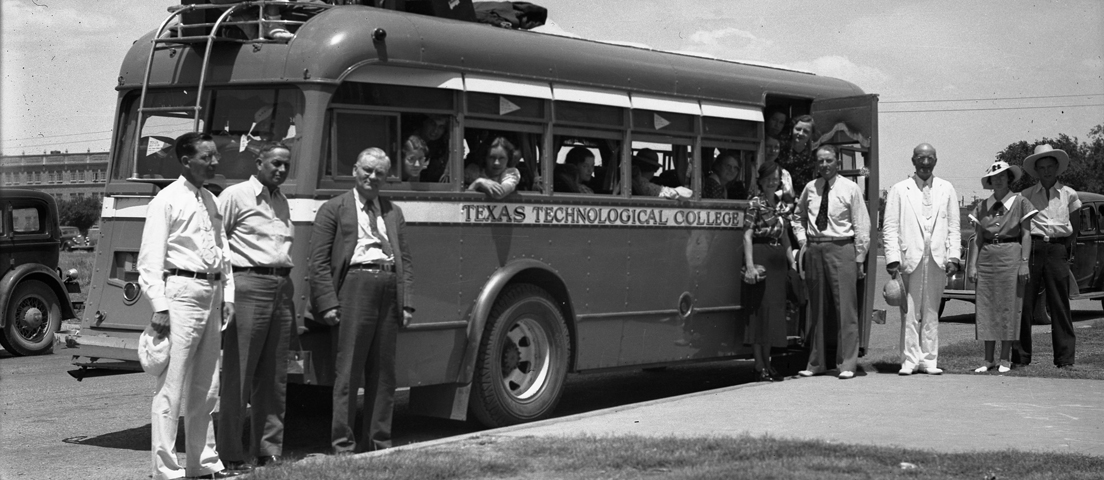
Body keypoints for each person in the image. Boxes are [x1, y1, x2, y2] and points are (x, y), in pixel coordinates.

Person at [138, 132, 239, 479]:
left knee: (207, 386)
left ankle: (204, 464)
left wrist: (227, 297)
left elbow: (223, 252)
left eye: (215, 156)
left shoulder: (211, 200)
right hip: (179, 292)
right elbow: (150, 259)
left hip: (210, 293)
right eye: (207, 157)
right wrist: (159, 305)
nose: (214, 162)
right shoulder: (166, 200)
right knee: (172, 386)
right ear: (186, 161)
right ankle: (166, 469)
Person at [309, 147, 414, 453]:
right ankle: (343, 444)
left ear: (386, 178)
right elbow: (317, 262)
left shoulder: (393, 212)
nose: (372, 177)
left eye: (380, 173)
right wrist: (327, 302)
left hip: (388, 287)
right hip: (353, 287)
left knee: (384, 373)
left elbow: (405, 260)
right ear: (355, 170)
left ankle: (379, 442)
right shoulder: (334, 208)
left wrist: (406, 302)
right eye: (367, 170)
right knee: (349, 371)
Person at [215, 142, 295, 472]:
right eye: (275, 163)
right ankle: (231, 452)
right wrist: (226, 294)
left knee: (274, 376)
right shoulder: (235, 196)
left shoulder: (281, 200)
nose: (280, 170)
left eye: (286, 165)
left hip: (280, 287)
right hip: (247, 285)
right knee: (239, 373)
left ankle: (267, 449)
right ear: (258, 162)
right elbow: (218, 242)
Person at [882, 144, 961, 376]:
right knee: (909, 311)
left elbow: (954, 226)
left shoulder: (946, 188)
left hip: (937, 259)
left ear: (935, 160)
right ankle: (909, 361)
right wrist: (892, 258)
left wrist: (953, 255)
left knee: (931, 310)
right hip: (909, 258)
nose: (925, 163)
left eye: (929, 158)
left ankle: (929, 360)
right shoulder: (899, 189)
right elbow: (890, 226)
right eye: (920, 158)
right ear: (913, 160)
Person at [793, 145, 870, 380]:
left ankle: (847, 363)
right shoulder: (810, 188)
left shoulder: (850, 189)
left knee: (845, 308)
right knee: (816, 308)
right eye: (820, 161)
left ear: (837, 162)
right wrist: (803, 240)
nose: (824, 165)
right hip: (816, 248)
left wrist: (859, 258)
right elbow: (798, 217)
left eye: (828, 161)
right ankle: (816, 362)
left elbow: (862, 225)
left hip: (842, 247)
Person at [1013, 144, 1081, 369]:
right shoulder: (1026, 195)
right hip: (1032, 248)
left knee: (1059, 304)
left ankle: (1065, 360)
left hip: (1057, 249)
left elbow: (1076, 226)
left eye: (1050, 166)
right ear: (1037, 171)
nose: (1046, 171)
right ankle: (1021, 358)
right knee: (1025, 303)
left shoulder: (1069, 194)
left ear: (1056, 168)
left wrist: (1061, 247)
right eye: (1041, 167)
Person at [968, 160, 1035, 373]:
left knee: (1008, 305)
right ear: (989, 181)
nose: (998, 180)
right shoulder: (982, 206)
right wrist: (972, 265)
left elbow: (1026, 234)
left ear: (1009, 178)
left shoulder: (1020, 202)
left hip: (1011, 256)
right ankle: (988, 359)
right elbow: (977, 238)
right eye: (994, 177)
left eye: (1002, 176)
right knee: (986, 306)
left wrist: (1024, 262)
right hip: (987, 258)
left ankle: (1005, 359)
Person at [742, 161, 796, 382]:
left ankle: (768, 363)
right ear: (761, 180)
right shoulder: (755, 203)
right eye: (769, 178)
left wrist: (791, 262)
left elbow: (784, 236)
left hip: (777, 262)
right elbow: (746, 235)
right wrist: (750, 266)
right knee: (759, 314)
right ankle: (758, 365)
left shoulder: (782, 204)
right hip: (761, 256)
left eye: (776, 178)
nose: (773, 181)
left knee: (773, 316)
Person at [777, 115, 817, 191]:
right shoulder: (781, 147)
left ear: (811, 134)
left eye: (806, 131)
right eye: (798, 129)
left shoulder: (814, 153)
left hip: (805, 196)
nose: (801, 133)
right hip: (782, 195)